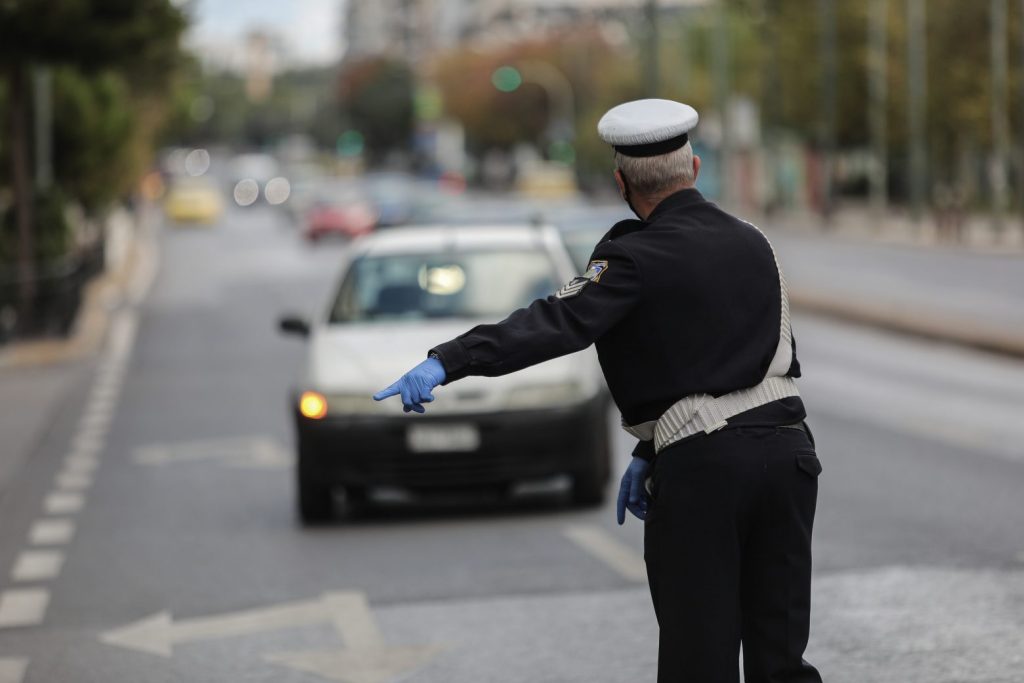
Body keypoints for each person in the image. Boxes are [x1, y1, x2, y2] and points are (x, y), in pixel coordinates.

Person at [373, 98, 823, 683]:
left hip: (706, 471)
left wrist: (447, 361)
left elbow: (553, 324)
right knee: (781, 657)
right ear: (695, 169)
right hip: (788, 457)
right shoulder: (754, 240)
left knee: (700, 658)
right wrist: (649, 448)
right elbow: (747, 358)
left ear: (620, 182)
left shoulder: (632, 257)